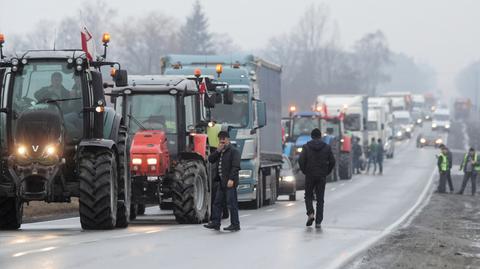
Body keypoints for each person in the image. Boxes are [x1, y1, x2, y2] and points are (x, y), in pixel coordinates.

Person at [298, 128, 335, 229]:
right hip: (321, 176)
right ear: (320, 136)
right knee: (320, 199)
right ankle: (318, 221)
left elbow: (301, 160)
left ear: (311, 136)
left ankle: (310, 214)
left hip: (310, 175)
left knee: (308, 196)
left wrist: (305, 171)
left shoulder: (306, 147)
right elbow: (332, 161)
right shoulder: (327, 147)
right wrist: (326, 172)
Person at [204, 131, 241, 231]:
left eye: (224, 139)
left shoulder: (234, 151)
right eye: (220, 139)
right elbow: (211, 160)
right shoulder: (220, 152)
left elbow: (236, 167)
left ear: (228, 139)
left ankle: (235, 224)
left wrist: (231, 179)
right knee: (217, 203)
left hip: (229, 182)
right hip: (221, 181)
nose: (222, 141)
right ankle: (216, 223)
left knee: (231, 203)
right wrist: (217, 151)